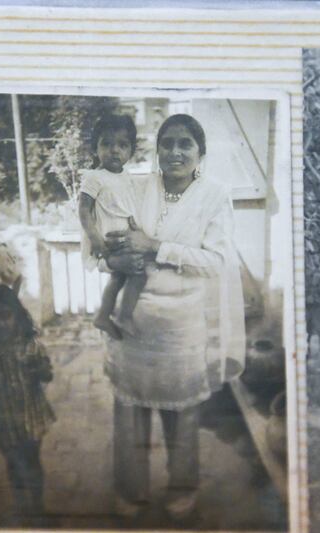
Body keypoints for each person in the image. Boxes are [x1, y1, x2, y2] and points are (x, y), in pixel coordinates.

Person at [100, 114, 246, 521]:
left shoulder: (215, 195)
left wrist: (156, 247)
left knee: (181, 412)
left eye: (185, 144)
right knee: (129, 410)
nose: (175, 152)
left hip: (181, 323)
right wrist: (114, 253)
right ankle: (131, 492)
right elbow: (109, 240)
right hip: (132, 319)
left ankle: (182, 489)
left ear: (201, 153)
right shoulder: (135, 187)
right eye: (168, 143)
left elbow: (216, 262)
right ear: (157, 149)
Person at [0, 283, 56, 524]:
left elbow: (48, 374)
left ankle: (38, 508)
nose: (0, 324)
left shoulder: (31, 345)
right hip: (2, 419)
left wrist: (38, 370)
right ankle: (22, 509)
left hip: (30, 416)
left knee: (32, 462)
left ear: (18, 316)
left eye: (6, 316)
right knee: (13, 464)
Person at [79, 113, 146, 339]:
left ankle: (102, 316)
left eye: (122, 145)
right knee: (138, 273)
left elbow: (125, 206)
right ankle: (124, 316)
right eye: (106, 144)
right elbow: (83, 210)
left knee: (119, 277)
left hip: (125, 234)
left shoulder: (126, 176)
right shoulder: (94, 177)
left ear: (130, 151)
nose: (114, 150)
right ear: (95, 148)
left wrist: (135, 226)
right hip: (109, 238)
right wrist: (95, 239)